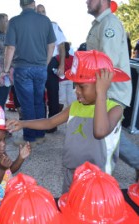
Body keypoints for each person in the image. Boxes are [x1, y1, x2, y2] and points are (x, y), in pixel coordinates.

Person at [7, 50, 130, 193]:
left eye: (82, 86)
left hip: (98, 180)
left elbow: (99, 132)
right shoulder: (75, 107)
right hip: (72, 172)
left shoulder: (115, 109)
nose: (76, 91)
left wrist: (101, 93)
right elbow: (50, 122)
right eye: (75, 85)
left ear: (101, 85)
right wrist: (23, 123)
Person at [86, 0, 139, 181]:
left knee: (107, 134)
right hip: (105, 91)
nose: (86, 1)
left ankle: (102, 180)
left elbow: (106, 64)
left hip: (111, 92)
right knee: (107, 134)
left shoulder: (110, 24)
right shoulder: (101, 24)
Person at [4, 0, 56, 147]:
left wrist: (6, 69)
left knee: (27, 104)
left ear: (21, 5)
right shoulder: (45, 21)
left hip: (22, 68)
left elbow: (10, 48)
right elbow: (51, 45)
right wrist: (45, 63)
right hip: (40, 68)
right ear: (33, 4)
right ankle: (40, 134)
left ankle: (29, 137)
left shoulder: (14, 22)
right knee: (39, 101)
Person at [37, 4, 67, 133]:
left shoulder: (54, 26)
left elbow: (61, 47)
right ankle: (41, 123)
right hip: (37, 62)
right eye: (39, 12)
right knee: (38, 95)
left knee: (53, 94)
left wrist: (62, 64)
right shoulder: (32, 27)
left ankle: (52, 124)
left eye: (43, 11)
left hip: (52, 63)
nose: (42, 14)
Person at [58, 42, 75, 109]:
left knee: (62, 99)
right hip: (70, 79)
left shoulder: (59, 58)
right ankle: (70, 112)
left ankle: (63, 113)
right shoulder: (73, 57)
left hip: (62, 80)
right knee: (70, 98)